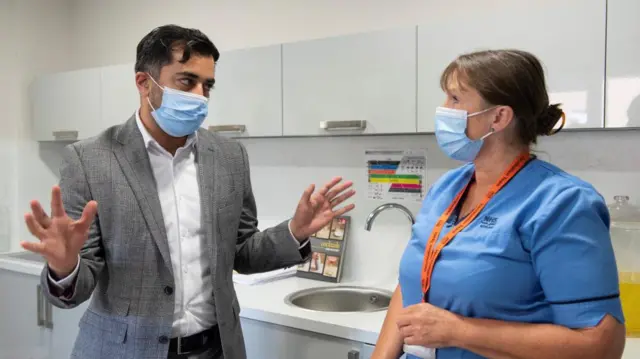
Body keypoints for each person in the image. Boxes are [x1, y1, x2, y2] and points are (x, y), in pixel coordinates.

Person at [21, 24, 355, 359]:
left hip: (216, 348)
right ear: (143, 83)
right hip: (126, 350)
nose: (199, 95)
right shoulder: (90, 159)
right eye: (186, 81)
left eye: (207, 85)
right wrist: (65, 267)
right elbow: (74, 289)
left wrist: (294, 232)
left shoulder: (229, 157)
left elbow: (241, 251)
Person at [372, 49, 627, 359]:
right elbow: (411, 286)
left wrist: (459, 331)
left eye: (455, 99)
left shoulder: (561, 203)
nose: (442, 110)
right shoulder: (446, 188)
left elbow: (600, 344)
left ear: (498, 117)